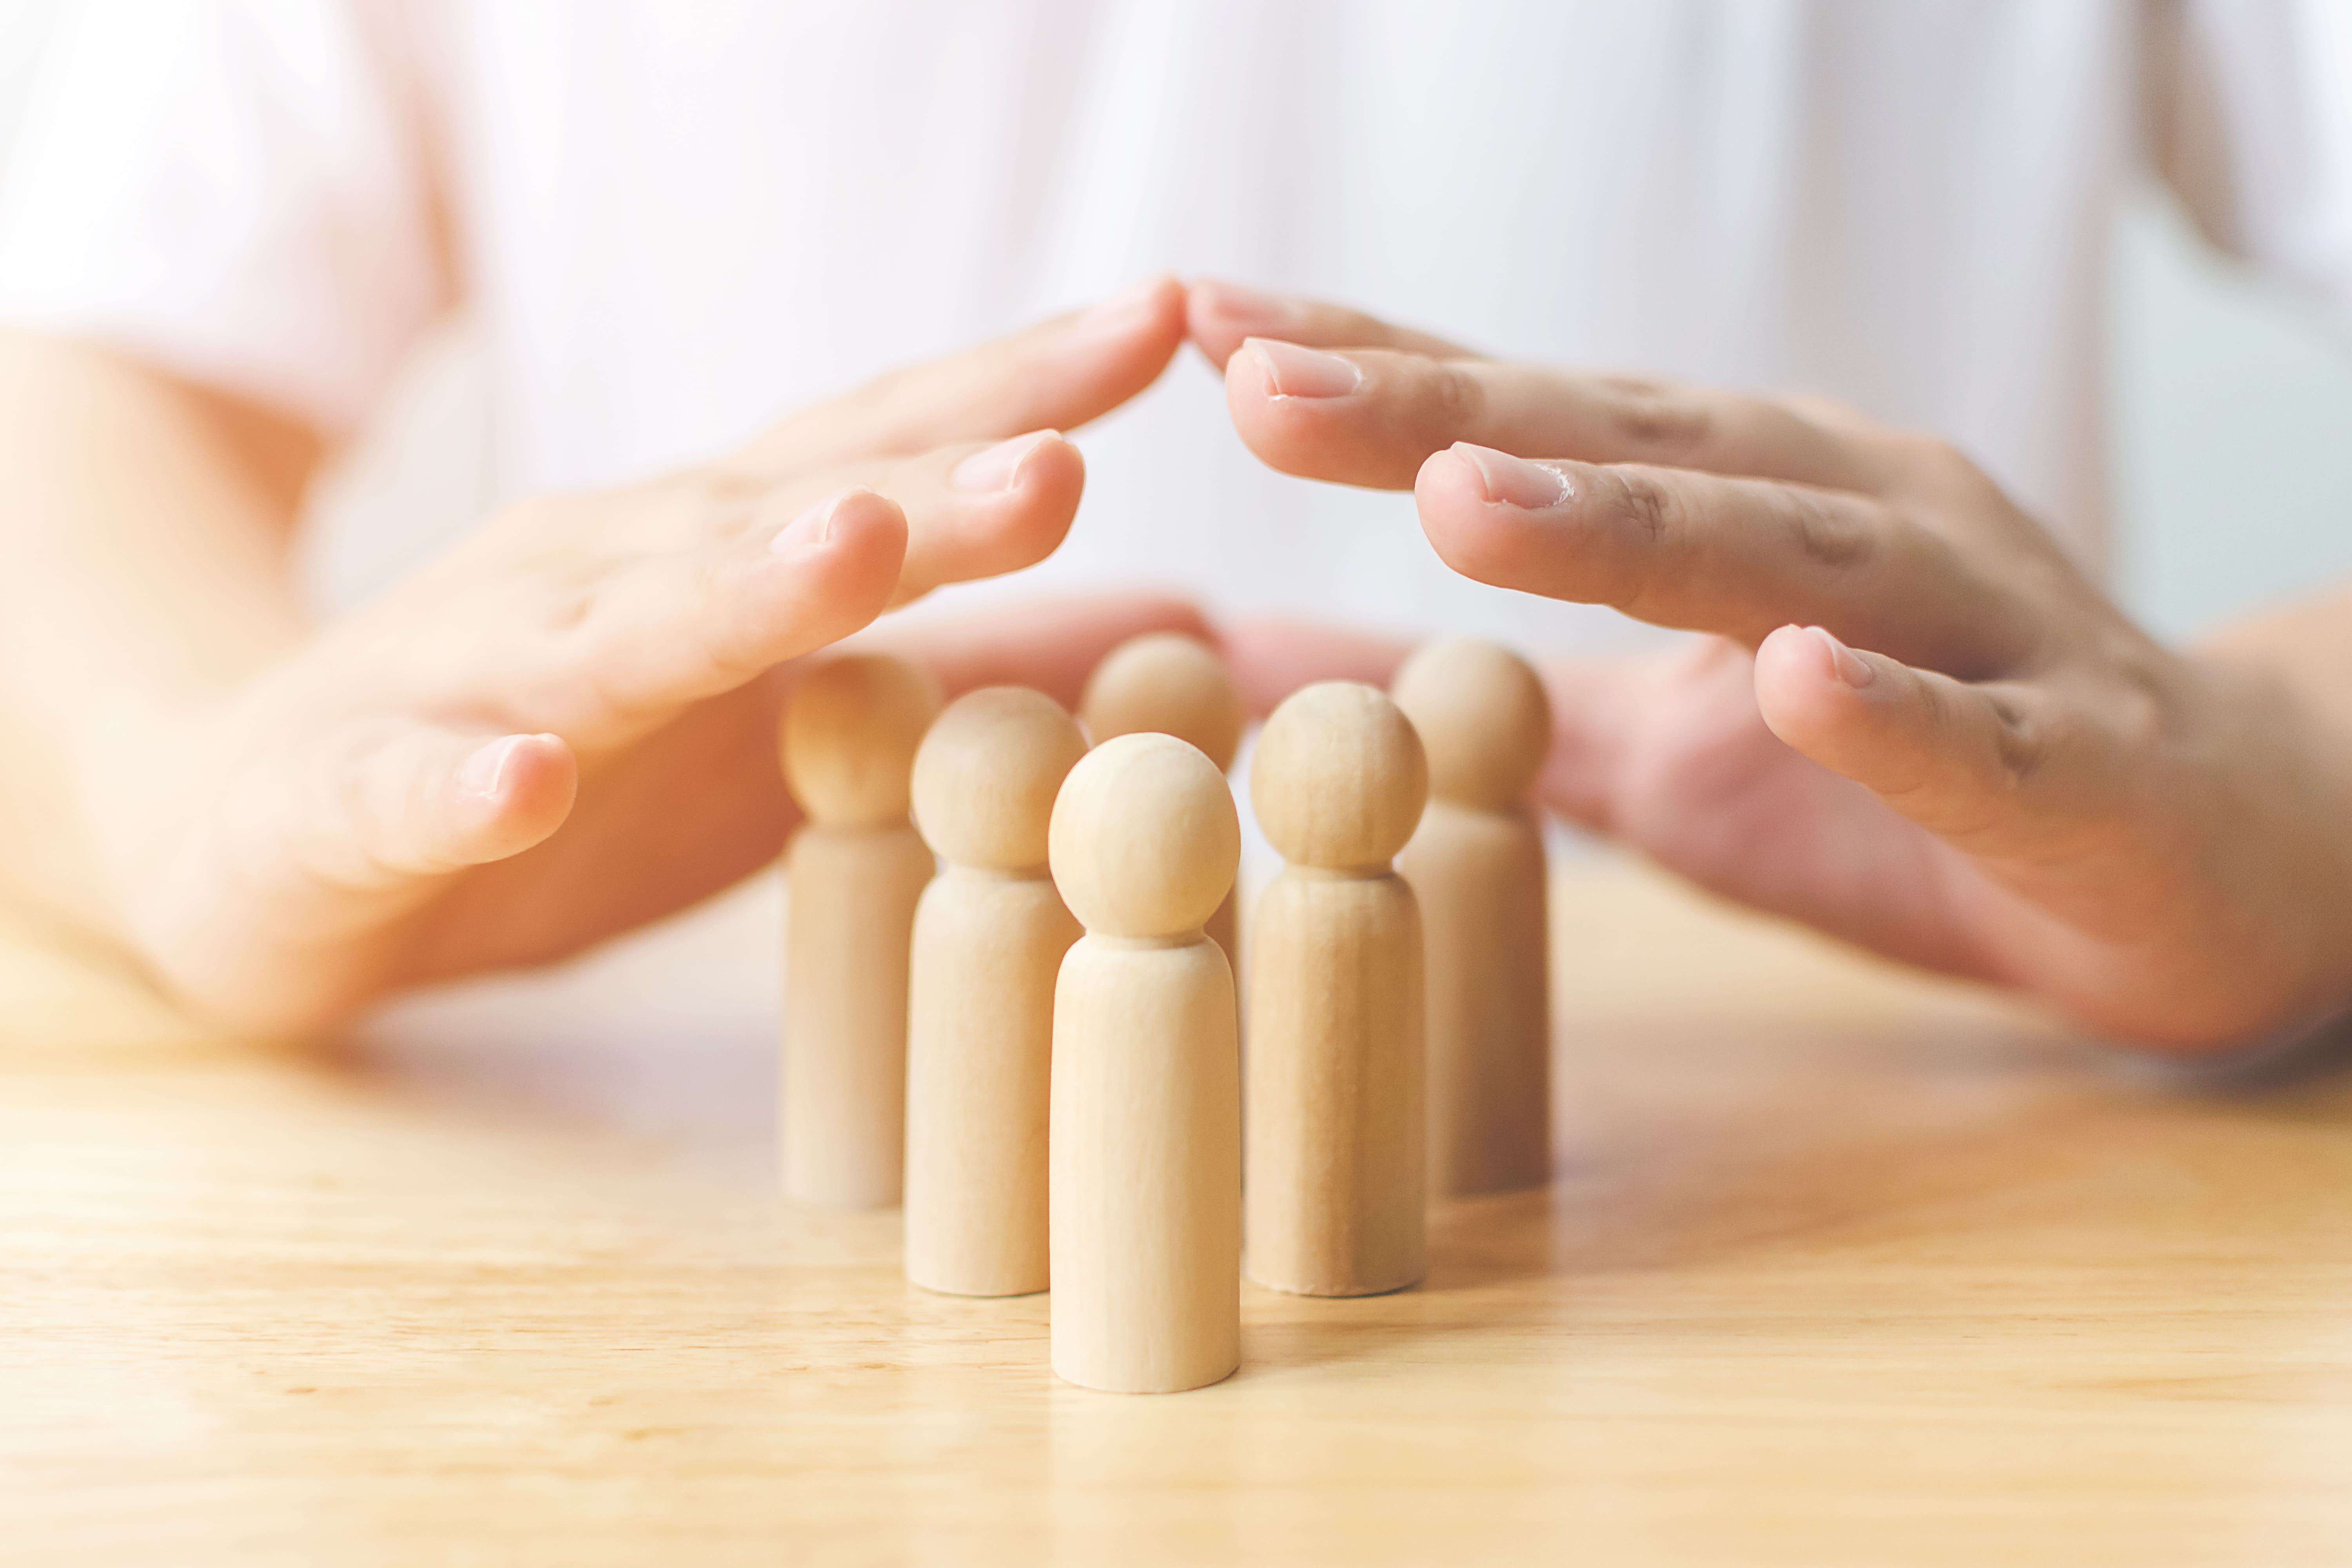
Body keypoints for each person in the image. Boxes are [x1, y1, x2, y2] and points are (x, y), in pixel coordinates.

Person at [2, 0, 2350, 1053]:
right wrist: (170, 768)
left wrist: (2304, 774)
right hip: (680, 1112)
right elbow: (97, 366)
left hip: (1894, 1130)